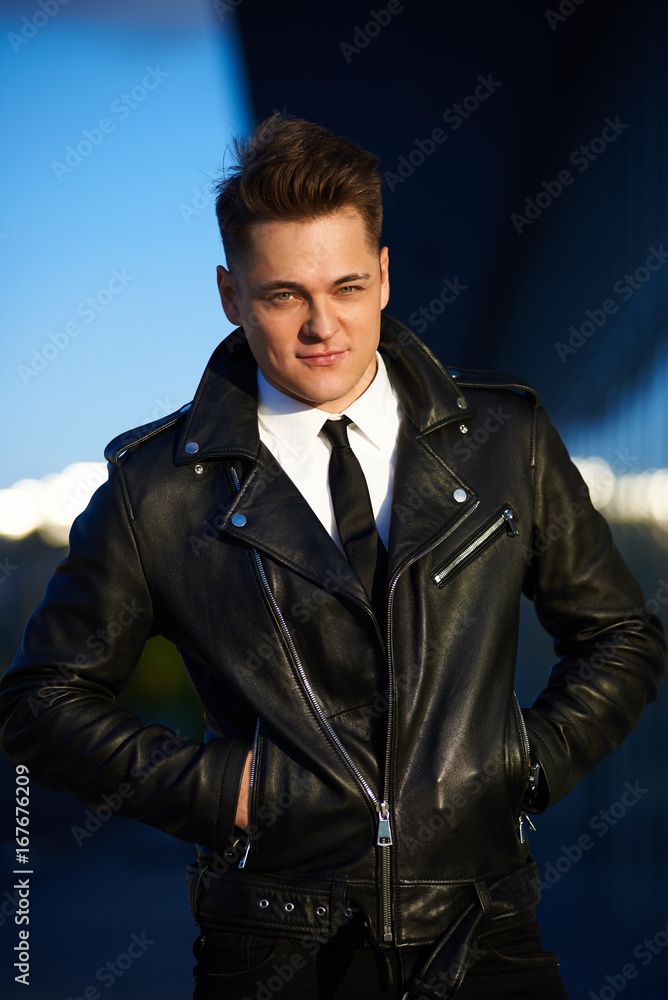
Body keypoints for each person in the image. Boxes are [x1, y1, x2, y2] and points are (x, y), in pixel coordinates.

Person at [0, 114, 665, 1000]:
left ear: (385, 276)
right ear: (231, 294)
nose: (324, 325)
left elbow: (622, 635)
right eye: (284, 295)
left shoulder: (507, 439)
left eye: (348, 285)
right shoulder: (154, 488)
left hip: (486, 934)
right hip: (272, 950)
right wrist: (229, 790)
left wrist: (524, 765)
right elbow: (39, 702)